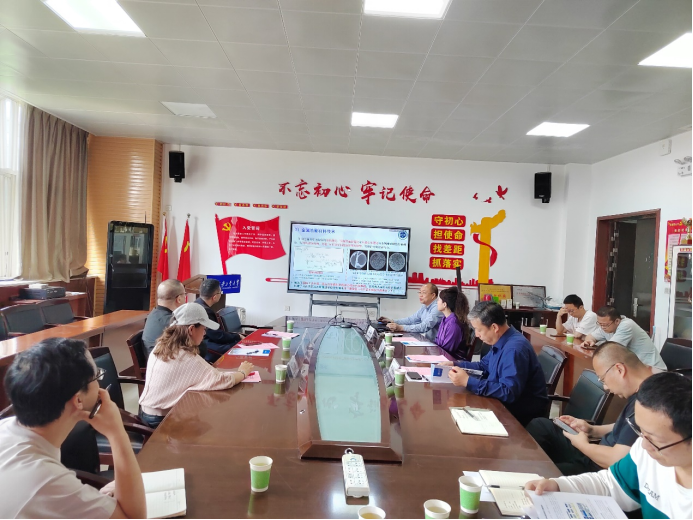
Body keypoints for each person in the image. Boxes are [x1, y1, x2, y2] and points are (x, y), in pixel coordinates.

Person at [0, 338, 146, 518]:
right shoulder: (48, 482)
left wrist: (89, 502)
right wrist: (116, 432)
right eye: (97, 376)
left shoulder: (6, 427)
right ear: (78, 400)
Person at [526, 372, 691, 519]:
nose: (643, 444)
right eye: (640, 431)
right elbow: (610, 484)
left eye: (655, 439)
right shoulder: (647, 452)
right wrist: (559, 486)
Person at [527, 342, 660, 475]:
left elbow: (616, 459)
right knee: (540, 426)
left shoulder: (650, 402)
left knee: (541, 474)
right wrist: (592, 430)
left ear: (619, 370)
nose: (606, 387)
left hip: (601, 469)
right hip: (596, 451)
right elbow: (624, 428)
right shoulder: (644, 389)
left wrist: (583, 445)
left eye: (603, 380)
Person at [138, 303, 253, 428]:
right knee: (218, 423)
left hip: (146, 413)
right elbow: (222, 380)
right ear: (191, 329)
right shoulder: (185, 357)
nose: (204, 333)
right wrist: (242, 372)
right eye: (204, 328)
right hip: (161, 421)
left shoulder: (162, 345)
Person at [442, 301, 548, 426]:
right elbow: (483, 366)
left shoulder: (514, 349)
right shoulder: (501, 340)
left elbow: (509, 392)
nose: (477, 335)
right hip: (500, 404)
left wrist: (468, 381)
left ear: (494, 327)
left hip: (517, 415)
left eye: (478, 329)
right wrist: (455, 364)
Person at [583, 306, 666, 370]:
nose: (602, 327)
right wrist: (589, 341)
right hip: (635, 367)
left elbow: (611, 349)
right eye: (600, 324)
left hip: (652, 369)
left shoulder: (627, 325)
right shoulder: (606, 326)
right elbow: (590, 336)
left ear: (617, 321)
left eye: (605, 325)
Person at [143, 279, 207, 360]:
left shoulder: (152, 315)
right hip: (170, 363)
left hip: (155, 362)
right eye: (185, 294)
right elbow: (200, 350)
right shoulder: (175, 323)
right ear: (179, 299)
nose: (185, 297)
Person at [379, 283, 443, 342]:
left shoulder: (437, 308)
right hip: (428, 342)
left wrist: (401, 328)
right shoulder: (424, 306)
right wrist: (392, 321)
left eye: (424, 293)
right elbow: (411, 320)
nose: (420, 295)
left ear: (433, 295)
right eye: (419, 292)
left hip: (437, 345)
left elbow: (424, 327)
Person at [195, 278, 242, 360]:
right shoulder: (205, 311)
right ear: (215, 297)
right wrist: (237, 336)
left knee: (236, 342)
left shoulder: (197, 303)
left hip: (205, 341)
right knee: (237, 346)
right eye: (220, 292)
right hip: (205, 345)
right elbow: (217, 336)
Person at [435, 287, 469, 358]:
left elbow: (446, 351)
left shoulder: (453, 324)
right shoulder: (445, 318)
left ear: (444, 304)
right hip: (441, 356)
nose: (437, 302)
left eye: (439, 300)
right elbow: (437, 341)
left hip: (451, 360)